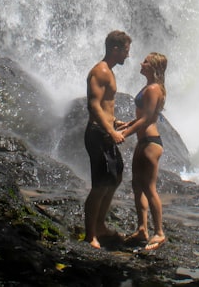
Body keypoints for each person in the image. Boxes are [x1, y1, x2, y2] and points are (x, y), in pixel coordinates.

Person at [83, 29, 131, 248]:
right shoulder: (100, 71)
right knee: (99, 185)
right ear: (115, 49)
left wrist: (115, 122)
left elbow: (105, 106)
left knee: (115, 176)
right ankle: (91, 234)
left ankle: (101, 224)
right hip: (97, 134)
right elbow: (93, 105)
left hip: (106, 131)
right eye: (125, 51)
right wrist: (110, 131)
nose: (127, 56)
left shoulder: (109, 71)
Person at [119, 52, 168, 251]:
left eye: (146, 61)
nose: (142, 62)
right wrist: (126, 125)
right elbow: (142, 116)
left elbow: (147, 119)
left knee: (149, 188)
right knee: (137, 186)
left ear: (153, 67)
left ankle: (159, 233)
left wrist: (124, 134)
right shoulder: (150, 87)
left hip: (150, 142)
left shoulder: (154, 88)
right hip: (143, 140)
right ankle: (142, 229)